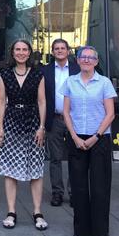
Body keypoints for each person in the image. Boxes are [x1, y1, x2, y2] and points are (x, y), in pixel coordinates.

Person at [61, 46, 116, 236]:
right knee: (78, 186)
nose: (86, 60)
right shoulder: (70, 82)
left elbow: (110, 113)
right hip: (77, 138)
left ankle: (100, 231)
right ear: (77, 60)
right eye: (83, 57)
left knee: (100, 185)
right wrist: (74, 137)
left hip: (99, 138)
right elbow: (66, 112)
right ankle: (81, 230)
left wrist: (96, 136)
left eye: (90, 57)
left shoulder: (104, 83)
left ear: (96, 61)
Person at [0, 39, 48, 230]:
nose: (21, 52)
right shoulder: (4, 74)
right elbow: (1, 102)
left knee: (36, 169)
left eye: (24, 49)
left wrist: (42, 127)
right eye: (17, 49)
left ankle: (37, 212)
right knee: (10, 170)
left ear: (29, 53)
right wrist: (0, 127)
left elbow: (42, 102)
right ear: (12, 52)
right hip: (11, 123)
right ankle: (11, 212)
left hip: (33, 122)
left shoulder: (38, 74)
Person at [41, 39, 80, 207]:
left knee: (75, 157)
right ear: (52, 51)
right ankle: (57, 193)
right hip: (55, 119)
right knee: (55, 158)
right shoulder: (45, 70)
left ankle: (74, 193)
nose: (59, 51)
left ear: (68, 50)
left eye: (62, 48)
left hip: (75, 119)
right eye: (56, 48)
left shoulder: (78, 69)